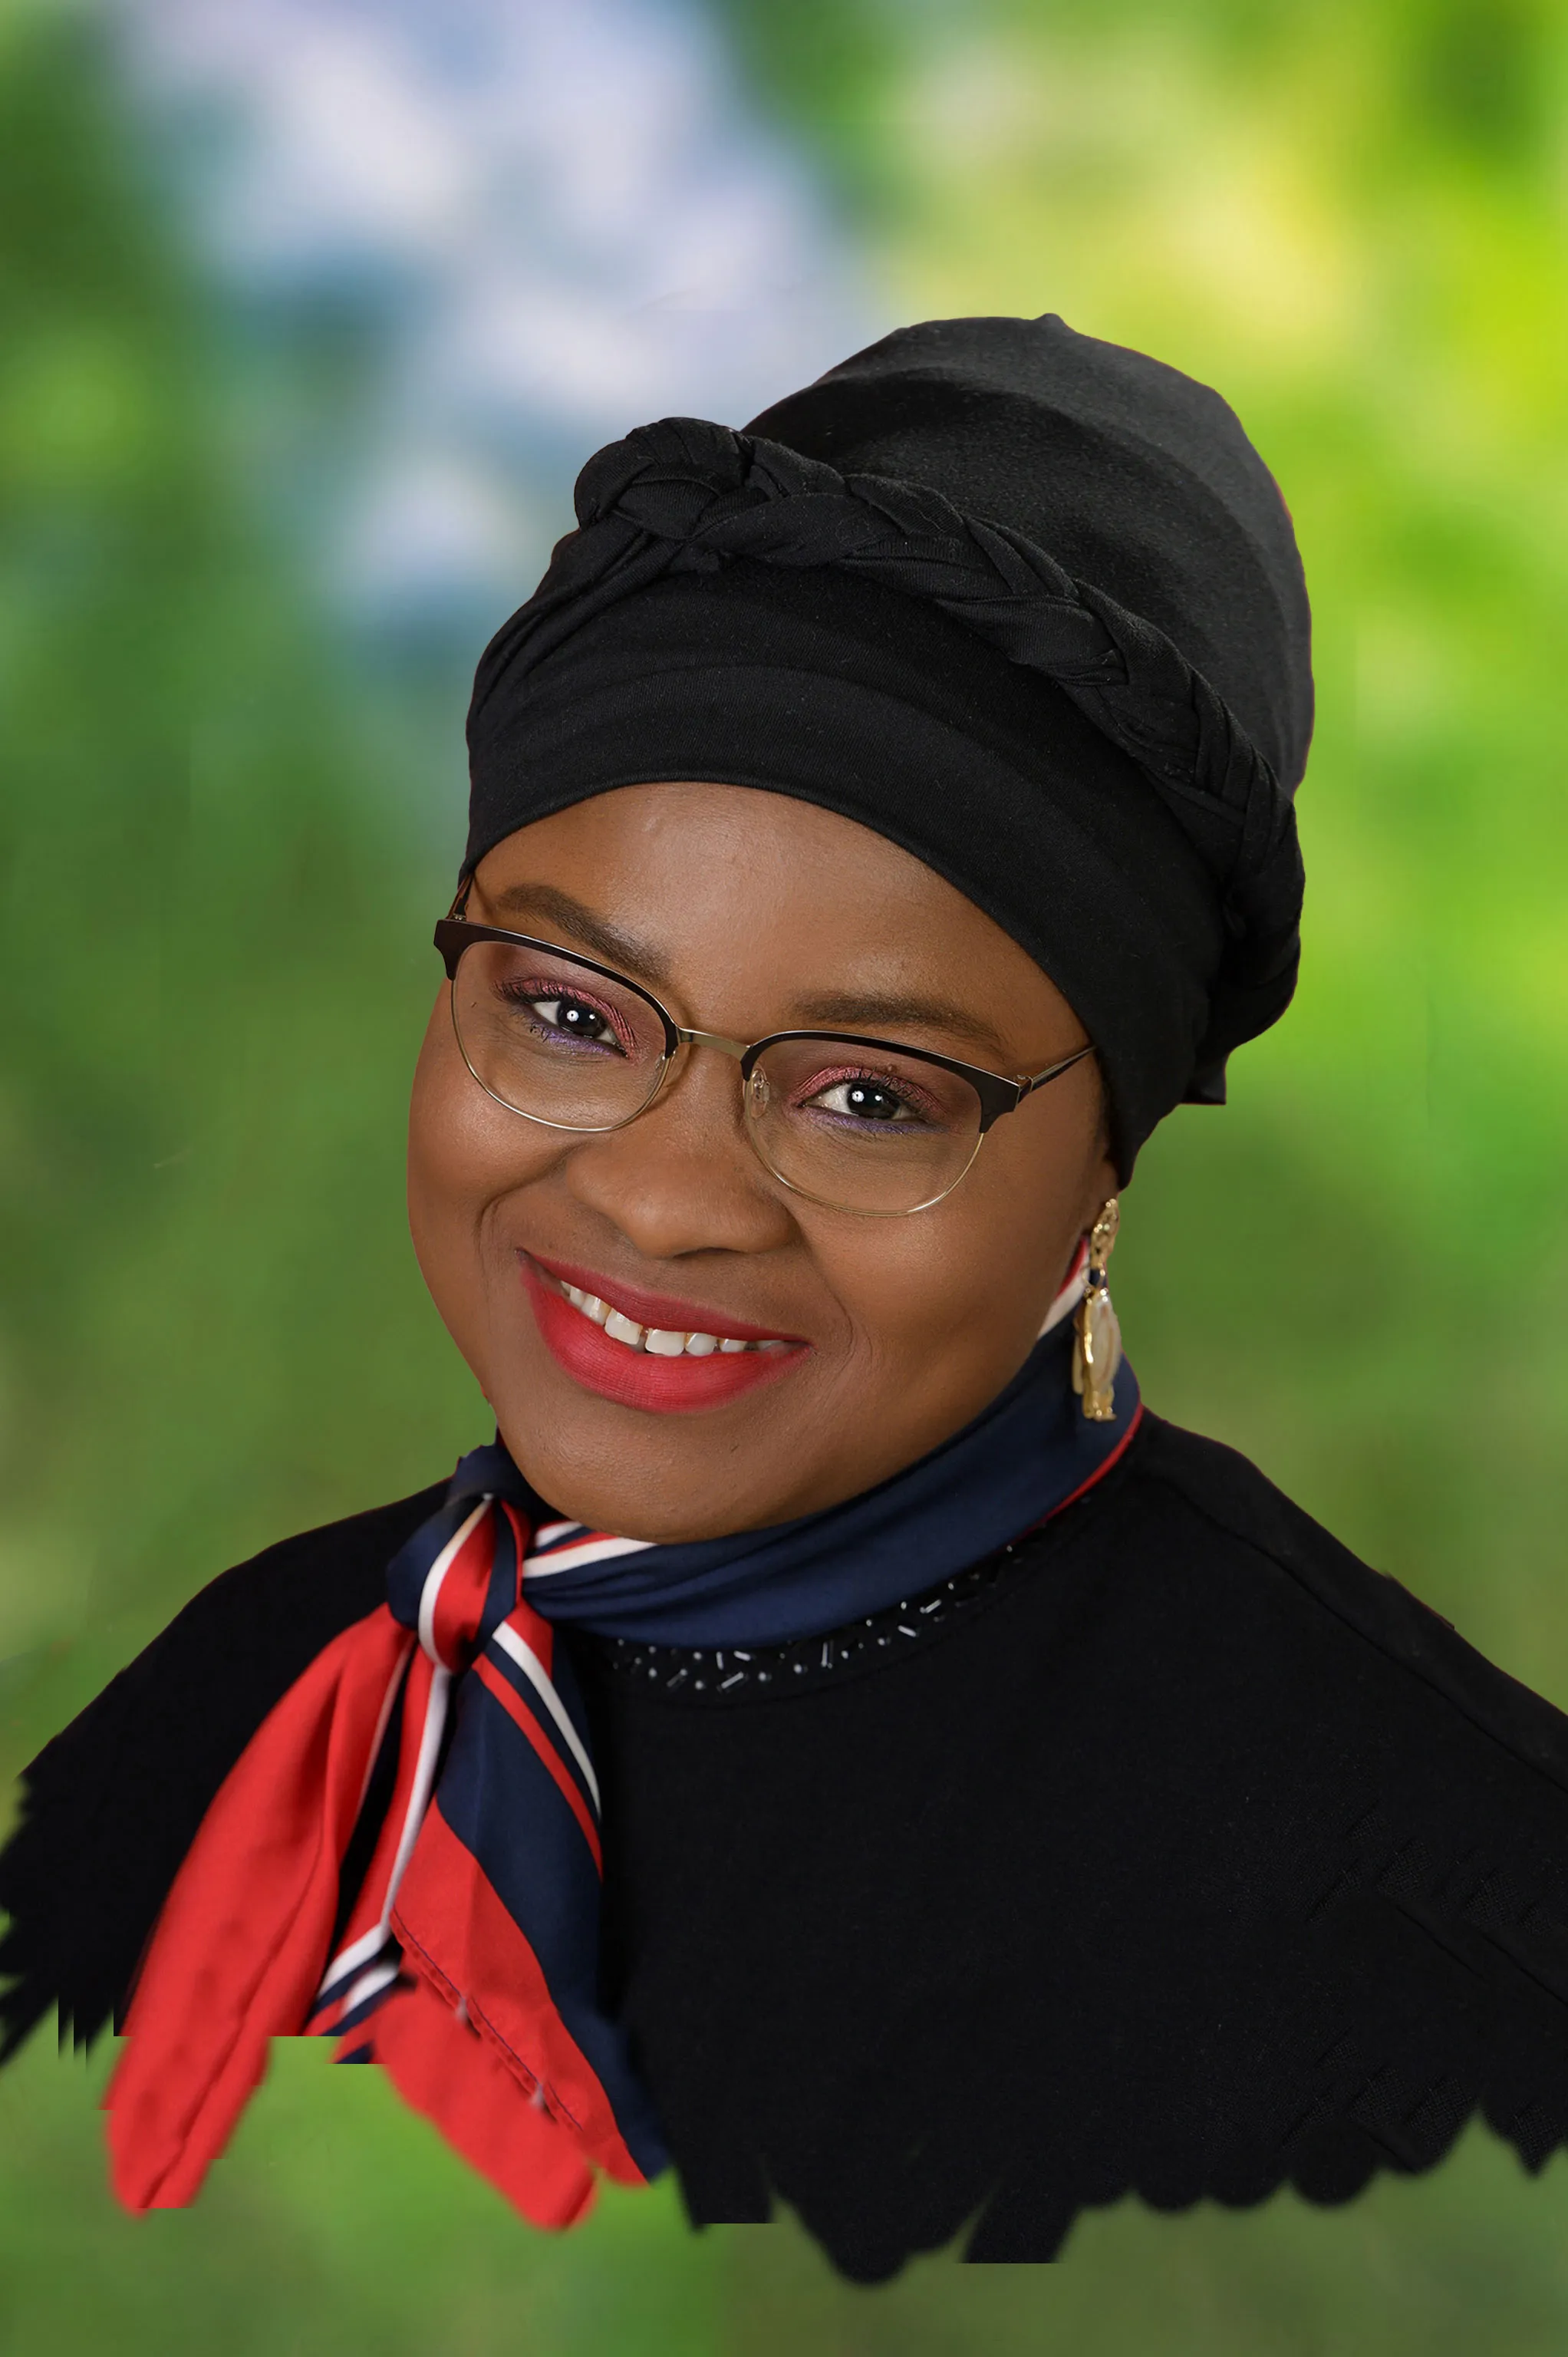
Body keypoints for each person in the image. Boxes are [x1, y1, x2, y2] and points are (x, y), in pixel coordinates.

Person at [5, 314, 1568, 2284]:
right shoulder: (258, 1689)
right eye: (569, 1013)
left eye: (866, 1097)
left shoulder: (1444, 1930)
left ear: (1101, 1174)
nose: (661, 1200)